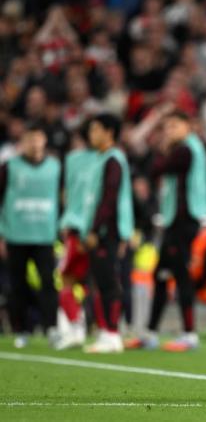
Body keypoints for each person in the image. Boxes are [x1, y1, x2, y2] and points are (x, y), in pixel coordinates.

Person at [136, 110, 206, 352]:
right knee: (161, 275)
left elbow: (156, 169)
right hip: (175, 221)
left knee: (180, 276)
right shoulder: (190, 148)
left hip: (183, 220)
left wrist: (162, 149)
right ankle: (150, 333)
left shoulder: (185, 150)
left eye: (174, 126)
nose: (169, 132)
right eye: (166, 127)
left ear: (187, 126)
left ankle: (189, 335)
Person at [0, 122, 61, 349]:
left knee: (48, 282)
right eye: (30, 139)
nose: (34, 143)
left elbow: (63, 196)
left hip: (45, 235)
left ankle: (52, 328)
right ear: (22, 142)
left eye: (38, 138)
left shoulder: (55, 166)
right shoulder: (9, 167)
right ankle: (21, 330)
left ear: (44, 141)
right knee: (17, 285)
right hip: (16, 235)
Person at [82, 114, 134, 354]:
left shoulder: (114, 159)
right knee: (101, 282)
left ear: (109, 132)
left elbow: (109, 198)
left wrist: (95, 229)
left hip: (108, 230)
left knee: (109, 283)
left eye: (95, 129)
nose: (91, 134)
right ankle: (106, 332)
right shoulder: (101, 159)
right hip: (101, 229)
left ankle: (112, 334)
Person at [55, 126, 97, 350]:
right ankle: (104, 328)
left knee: (67, 280)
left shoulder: (75, 160)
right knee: (95, 282)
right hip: (98, 229)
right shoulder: (109, 158)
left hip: (78, 228)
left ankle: (76, 327)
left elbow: (69, 194)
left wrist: (68, 222)